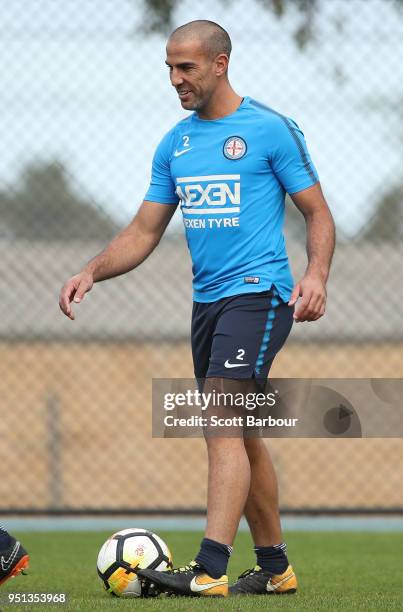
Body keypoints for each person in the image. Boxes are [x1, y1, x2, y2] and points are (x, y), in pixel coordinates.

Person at [59, 19, 335, 598]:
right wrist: (91, 271)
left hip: (259, 295)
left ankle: (210, 569)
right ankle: (275, 567)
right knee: (240, 432)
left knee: (219, 421)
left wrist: (315, 275)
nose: (175, 79)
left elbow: (317, 213)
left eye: (185, 68)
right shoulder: (175, 144)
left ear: (220, 64)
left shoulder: (270, 130)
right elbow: (143, 230)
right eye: (169, 68)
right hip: (207, 304)